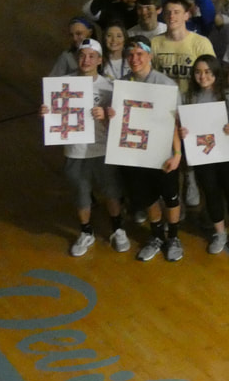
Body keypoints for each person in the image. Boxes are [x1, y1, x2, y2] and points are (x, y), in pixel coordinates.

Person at [42, 38, 129, 257]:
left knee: (111, 192)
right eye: (82, 55)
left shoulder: (109, 87)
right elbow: (55, 117)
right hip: (75, 151)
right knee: (81, 194)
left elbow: (120, 123)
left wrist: (106, 116)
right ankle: (86, 232)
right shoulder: (63, 84)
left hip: (102, 150)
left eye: (91, 56)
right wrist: (47, 112)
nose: (86, 60)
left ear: (99, 60)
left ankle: (117, 229)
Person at [115, 36, 185, 262]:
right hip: (136, 154)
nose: (134, 59)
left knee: (170, 196)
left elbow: (174, 121)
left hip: (162, 152)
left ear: (150, 56)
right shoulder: (122, 85)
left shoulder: (165, 84)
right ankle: (156, 235)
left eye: (139, 54)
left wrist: (177, 154)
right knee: (147, 197)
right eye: (130, 55)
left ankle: (173, 237)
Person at [181, 55, 229, 254]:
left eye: (208, 72)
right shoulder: (188, 97)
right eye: (198, 72)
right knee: (210, 192)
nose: (203, 76)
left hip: (228, 152)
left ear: (216, 73)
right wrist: (183, 131)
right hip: (203, 154)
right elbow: (185, 124)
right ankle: (220, 232)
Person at [151, 0, 216, 95]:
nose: (171, 16)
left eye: (176, 12)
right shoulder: (154, 42)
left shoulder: (201, 42)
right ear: (163, 16)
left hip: (193, 98)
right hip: (163, 97)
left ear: (186, 15)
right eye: (168, 13)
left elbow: (212, 74)